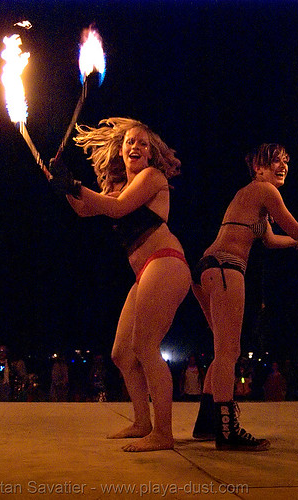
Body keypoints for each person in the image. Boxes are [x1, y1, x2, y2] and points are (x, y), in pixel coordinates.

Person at [191, 143, 298, 450]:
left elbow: (273, 239)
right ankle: (227, 431)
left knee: (223, 350)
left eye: (286, 161)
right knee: (228, 352)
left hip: (206, 270)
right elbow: (294, 225)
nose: (283, 165)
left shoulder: (251, 197)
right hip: (226, 268)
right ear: (259, 168)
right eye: (275, 161)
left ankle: (207, 423)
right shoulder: (265, 191)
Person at [49, 117, 191, 452]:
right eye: (130, 142)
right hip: (146, 272)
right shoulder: (118, 188)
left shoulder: (151, 178)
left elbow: (115, 209)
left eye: (143, 142)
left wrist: (72, 185)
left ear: (151, 152)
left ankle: (163, 433)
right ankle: (142, 422)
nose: (136, 147)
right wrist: (60, 181)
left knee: (144, 348)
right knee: (121, 355)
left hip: (166, 261)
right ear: (121, 149)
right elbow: (86, 209)